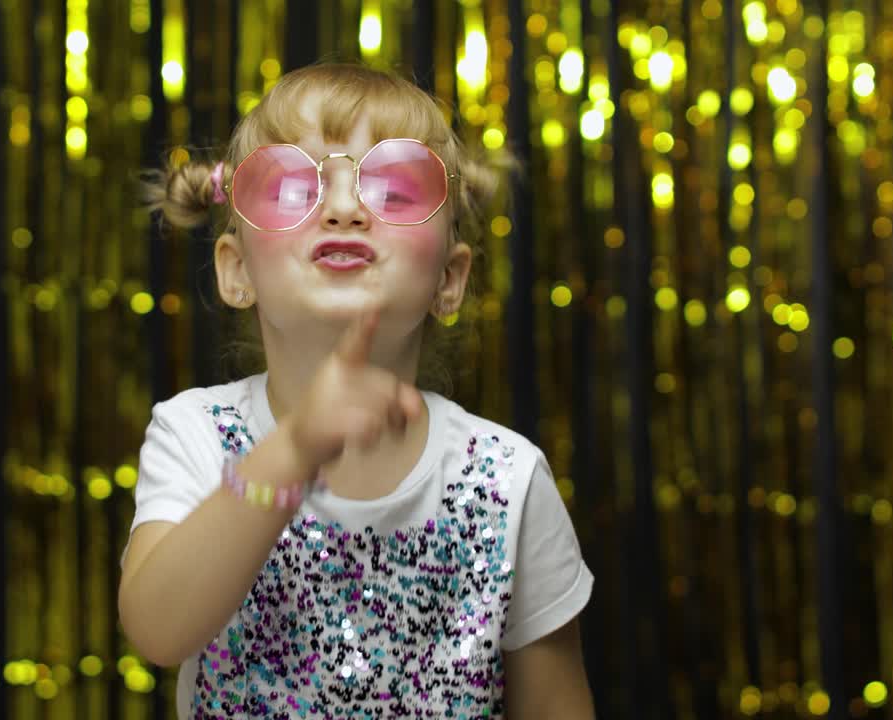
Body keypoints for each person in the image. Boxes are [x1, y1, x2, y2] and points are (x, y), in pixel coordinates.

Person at [118, 63, 595, 719]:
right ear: (235, 272)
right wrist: (294, 448)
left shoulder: (507, 479)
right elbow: (157, 628)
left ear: (450, 282)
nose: (343, 208)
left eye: (396, 190)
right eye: (290, 186)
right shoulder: (197, 433)